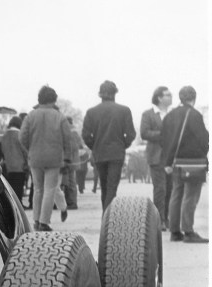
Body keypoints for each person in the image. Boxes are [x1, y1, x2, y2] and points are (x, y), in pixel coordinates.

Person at [19, 85, 72, 231]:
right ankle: (44, 222)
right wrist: (67, 158)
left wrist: (30, 149)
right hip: (54, 159)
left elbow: (22, 137)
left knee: (37, 189)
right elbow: (68, 139)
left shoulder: (30, 116)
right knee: (50, 189)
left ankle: (35, 220)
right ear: (54, 100)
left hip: (35, 158)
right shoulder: (59, 117)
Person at [162, 85, 209, 243]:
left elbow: (164, 139)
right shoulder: (194, 114)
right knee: (191, 196)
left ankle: (175, 232)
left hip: (175, 162)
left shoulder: (170, 116)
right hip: (193, 162)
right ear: (193, 98)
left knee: (176, 195)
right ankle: (188, 231)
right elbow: (203, 139)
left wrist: (167, 161)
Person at [82, 80, 136, 210]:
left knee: (105, 187)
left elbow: (85, 135)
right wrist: (122, 145)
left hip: (99, 153)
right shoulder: (124, 110)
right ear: (115, 93)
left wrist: (94, 146)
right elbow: (131, 134)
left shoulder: (91, 112)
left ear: (100, 94)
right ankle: (108, 218)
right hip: (116, 152)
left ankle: (106, 216)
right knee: (112, 187)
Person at [140, 86, 173, 230]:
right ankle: (160, 219)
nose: (171, 97)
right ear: (159, 97)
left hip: (172, 157)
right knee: (160, 189)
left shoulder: (174, 114)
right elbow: (144, 133)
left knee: (171, 189)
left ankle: (168, 218)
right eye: (168, 95)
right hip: (156, 156)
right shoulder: (148, 114)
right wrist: (163, 134)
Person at [0, 115, 29, 204]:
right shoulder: (20, 135)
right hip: (20, 166)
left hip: (8, 166)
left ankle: (13, 204)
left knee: (11, 187)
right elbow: (24, 150)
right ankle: (19, 204)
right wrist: (27, 162)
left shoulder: (4, 136)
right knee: (19, 186)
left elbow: (1, 151)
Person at [63, 116, 84, 209]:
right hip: (73, 160)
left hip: (69, 160)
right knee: (71, 181)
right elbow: (80, 146)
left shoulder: (68, 131)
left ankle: (71, 202)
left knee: (69, 182)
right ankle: (71, 202)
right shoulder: (75, 132)